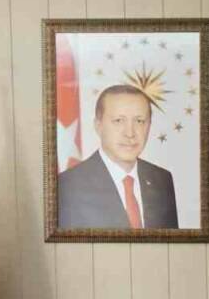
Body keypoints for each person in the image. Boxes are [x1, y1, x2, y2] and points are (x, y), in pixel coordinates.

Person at [58, 84, 178, 229]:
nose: (130, 133)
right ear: (98, 126)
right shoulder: (68, 186)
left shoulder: (162, 180)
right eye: (118, 121)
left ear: (149, 125)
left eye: (139, 121)